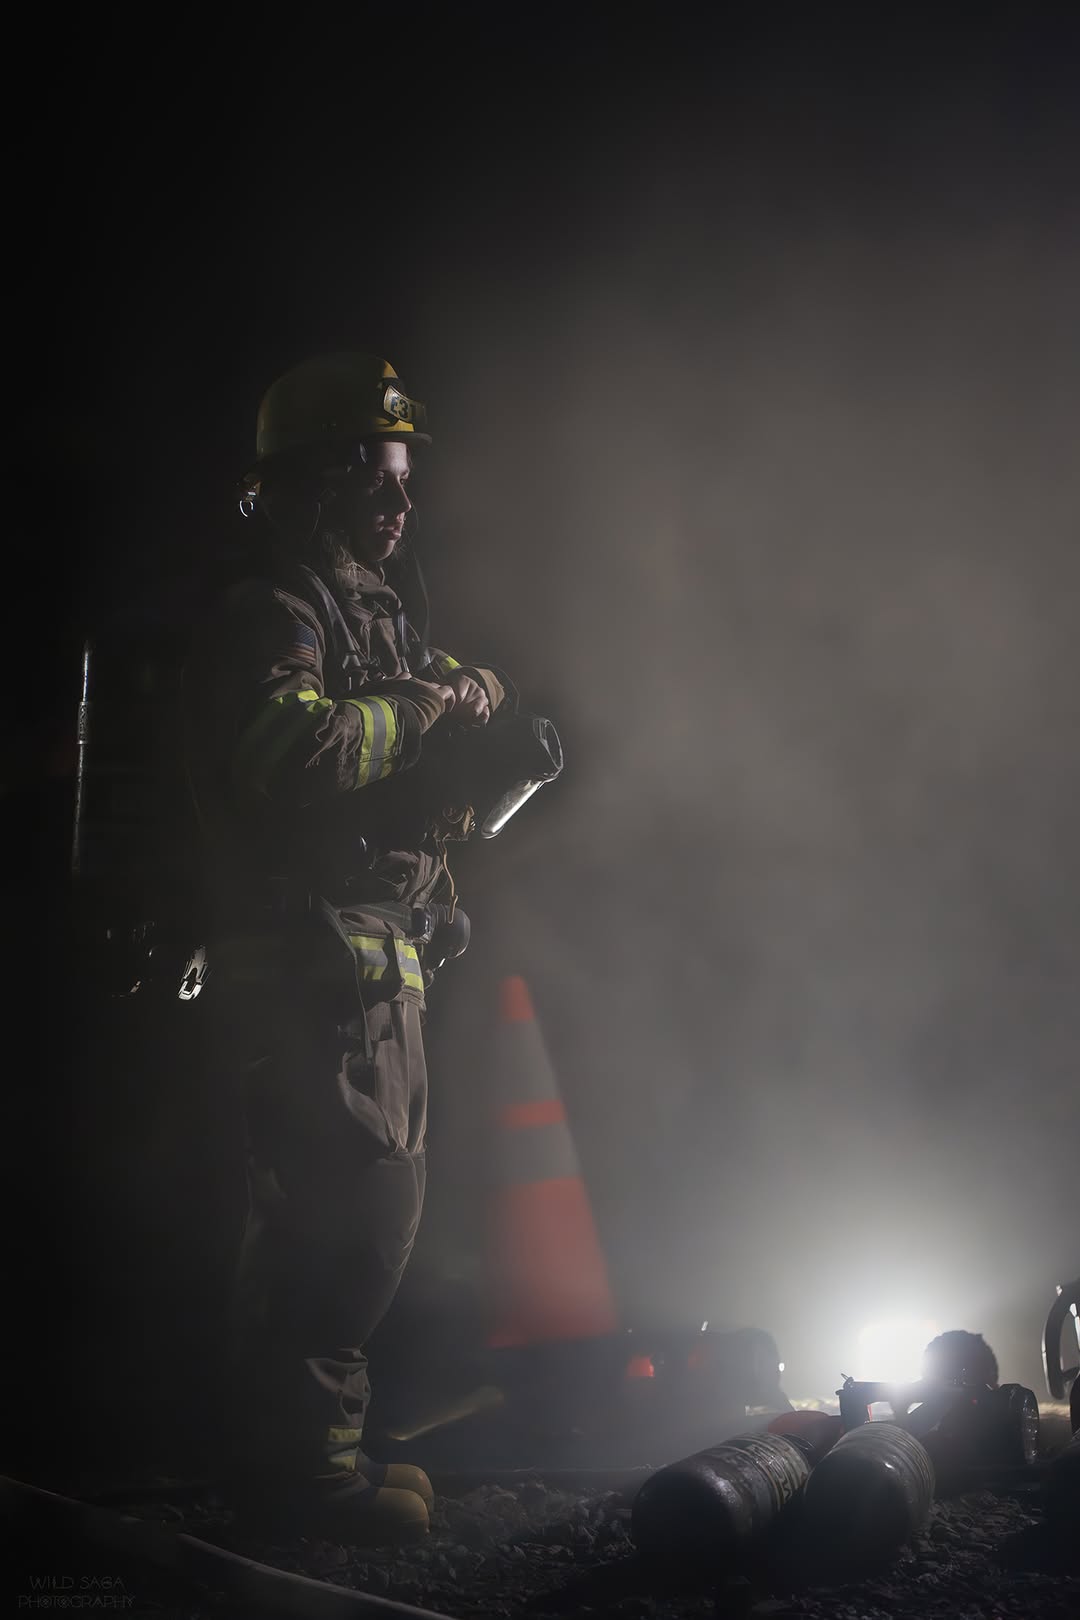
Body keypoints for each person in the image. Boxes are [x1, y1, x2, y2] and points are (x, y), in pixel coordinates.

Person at [182, 352, 508, 1541]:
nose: (400, 505)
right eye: (378, 481)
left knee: (366, 1220)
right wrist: (428, 708)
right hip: (310, 974)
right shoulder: (273, 611)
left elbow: (378, 782)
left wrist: (454, 784)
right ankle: (304, 1487)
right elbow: (294, 753)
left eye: (404, 481)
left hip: (373, 962)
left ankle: (310, 1468)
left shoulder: (366, 617)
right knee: (345, 1224)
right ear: (314, 488)